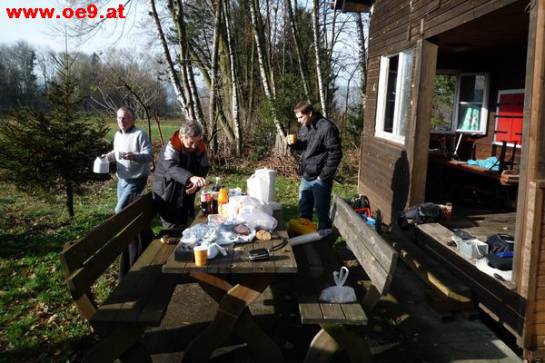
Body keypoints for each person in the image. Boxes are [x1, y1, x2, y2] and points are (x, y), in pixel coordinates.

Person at [103, 106, 153, 279]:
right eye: (118, 118)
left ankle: (126, 244)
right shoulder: (118, 135)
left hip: (137, 178)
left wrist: (134, 156)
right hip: (122, 179)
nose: (121, 121)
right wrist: (107, 157)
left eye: (124, 118)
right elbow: (116, 153)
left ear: (132, 119)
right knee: (126, 213)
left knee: (120, 211)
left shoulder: (140, 134)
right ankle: (131, 241)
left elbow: (149, 155)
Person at [287, 101, 342, 234]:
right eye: (297, 118)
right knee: (304, 209)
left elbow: (335, 154)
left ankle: (325, 243)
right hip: (306, 174)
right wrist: (294, 144)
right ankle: (305, 236)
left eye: (301, 117)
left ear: (310, 113)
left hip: (320, 177)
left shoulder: (327, 128)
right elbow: (304, 145)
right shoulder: (306, 126)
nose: (299, 121)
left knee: (322, 212)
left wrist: (323, 176)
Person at [152, 121, 209, 229]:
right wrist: (191, 178)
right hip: (166, 191)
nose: (194, 146)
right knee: (172, 228)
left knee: (186, 223)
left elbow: (204, 167)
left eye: (197, 142)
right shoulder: (171, 146)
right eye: (191, 142)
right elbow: (171, 167)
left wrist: (196, 184)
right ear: (182, 137)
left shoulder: (199, 145)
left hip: (185, 190)